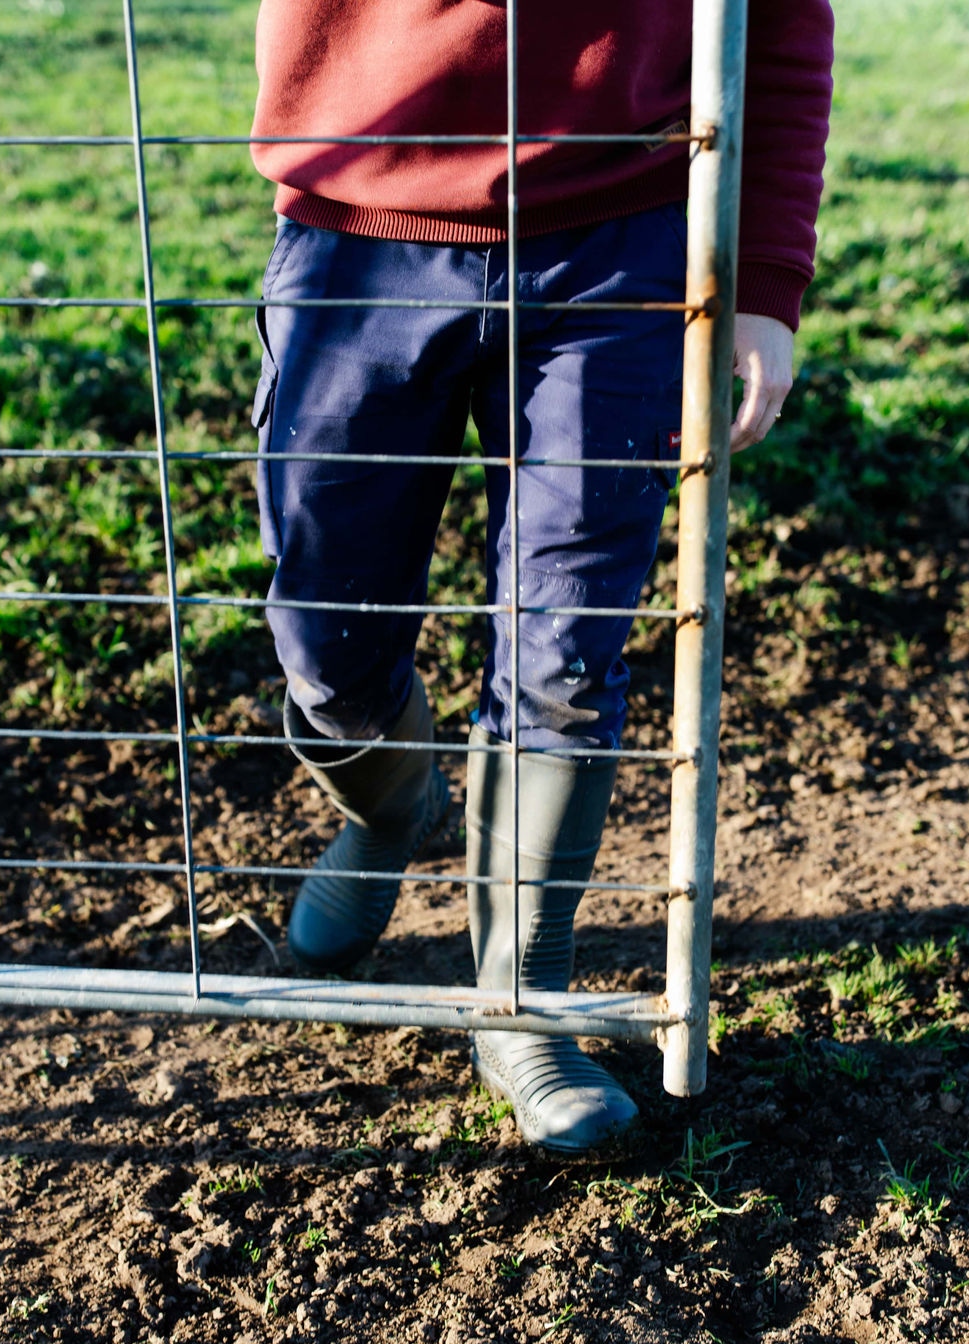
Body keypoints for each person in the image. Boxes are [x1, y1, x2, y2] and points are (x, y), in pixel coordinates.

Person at [246, 0, 834, 1154]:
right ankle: (392, 810)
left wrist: (763, 276)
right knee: (324, 634)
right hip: (353, 228)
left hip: (621, 249)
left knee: (564, 646)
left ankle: (521, 1005)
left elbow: (782, 27)